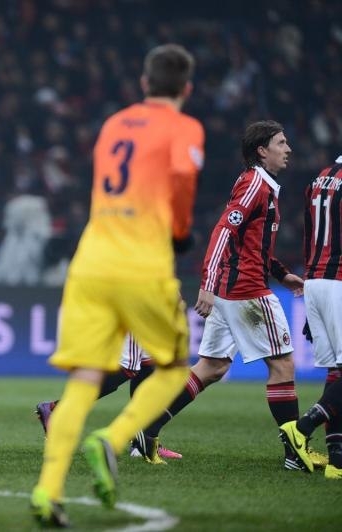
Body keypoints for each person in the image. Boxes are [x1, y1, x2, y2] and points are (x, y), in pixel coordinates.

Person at [30, 43, 204, 528]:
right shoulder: (185, 127)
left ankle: (47, 491)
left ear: (145, 83)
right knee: (172, 366)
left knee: (85, 378)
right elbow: (181, 184)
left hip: (90, 260)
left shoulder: (113, 124)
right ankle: (112, 438)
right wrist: (180, 235)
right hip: (140, 261)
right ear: (186, 89)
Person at [135, 120, 328, 471]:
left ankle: (148, 429)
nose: (288, 149)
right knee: (282, 365)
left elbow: (248, 243)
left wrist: (281, 273)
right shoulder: (255, 184)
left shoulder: (257, 183)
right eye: (281, 143)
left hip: (231, 289)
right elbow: (223, 232)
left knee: (211, 367)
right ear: (262, 150)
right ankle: (295, 453)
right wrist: (206, 284)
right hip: (246, 290)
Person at [280, 155, 342, 479]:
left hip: (316, 280)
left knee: (336, 372)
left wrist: (310, 288)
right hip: (339, 281)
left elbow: (310, 235)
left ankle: (337, 462)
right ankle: (302, 427)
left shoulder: (319, 179)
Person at [35, 335, 182, 463]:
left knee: (147, 363)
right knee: (129, 367)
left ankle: (141, 440)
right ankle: (56, 409)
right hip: (135, 311)